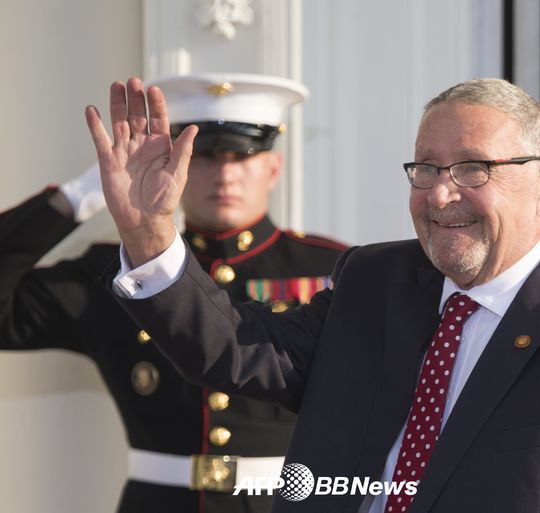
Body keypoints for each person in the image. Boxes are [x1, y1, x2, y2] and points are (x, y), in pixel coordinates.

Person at [88, 76, 540, 513]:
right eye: (426, 168)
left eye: (472, 169)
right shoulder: (375, 280)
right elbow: (237, 348)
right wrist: (149, 232)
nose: (440, 194)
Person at [0, 73, 347, 513]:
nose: (224, 175)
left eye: (242, 157)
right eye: (202, 156)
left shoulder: (331, 269)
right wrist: (78, 197)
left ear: (274, 169)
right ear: (170, 165)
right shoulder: (115, 269)